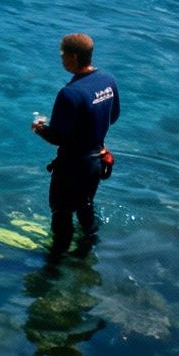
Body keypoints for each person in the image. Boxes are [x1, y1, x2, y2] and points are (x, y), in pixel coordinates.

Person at [32, 33, 119, 260]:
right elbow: (113, 116)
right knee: (85, 205)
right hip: (96, 161)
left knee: (61, 213)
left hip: (72, 166)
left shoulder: (69, 94)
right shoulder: (108, 80)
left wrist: (40, 129)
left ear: (72, 57)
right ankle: (87, 251)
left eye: (62, 54)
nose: (61, 59)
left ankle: (54, 263)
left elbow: (58, 137)